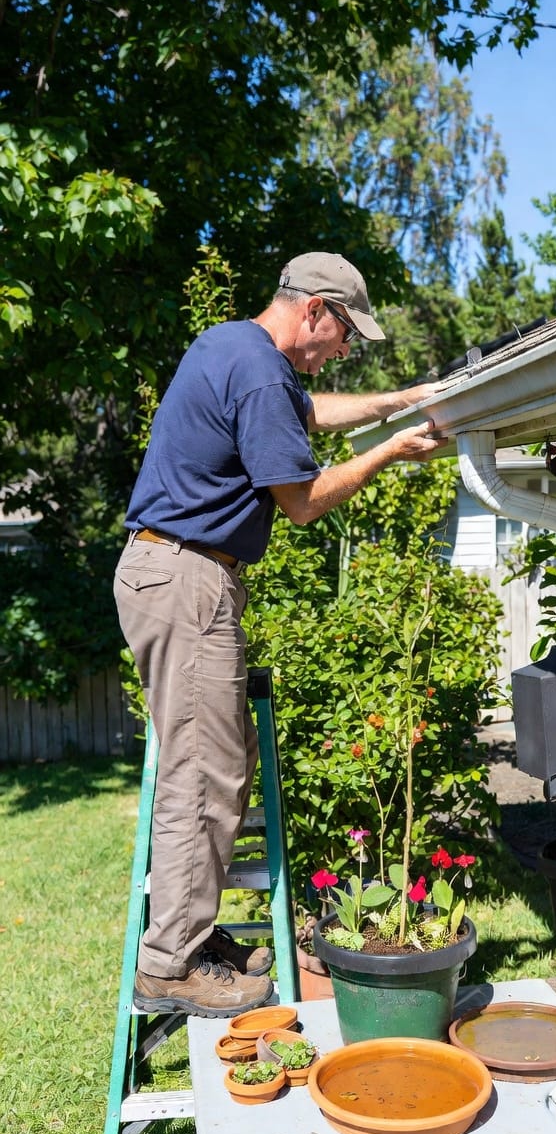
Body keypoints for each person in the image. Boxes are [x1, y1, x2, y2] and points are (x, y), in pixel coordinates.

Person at [114, 252, 445, 1016]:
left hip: (171, 573)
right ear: (315, 311)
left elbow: (310, 410)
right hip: (187, 581)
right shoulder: (263, 375)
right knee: (203, 777)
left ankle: (189, 937)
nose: (341, 351)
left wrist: (396, 400)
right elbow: (299, 502)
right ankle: (169, 964)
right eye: (343, 337)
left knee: (211, 766)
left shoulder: (231, 345)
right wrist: (390, 450)